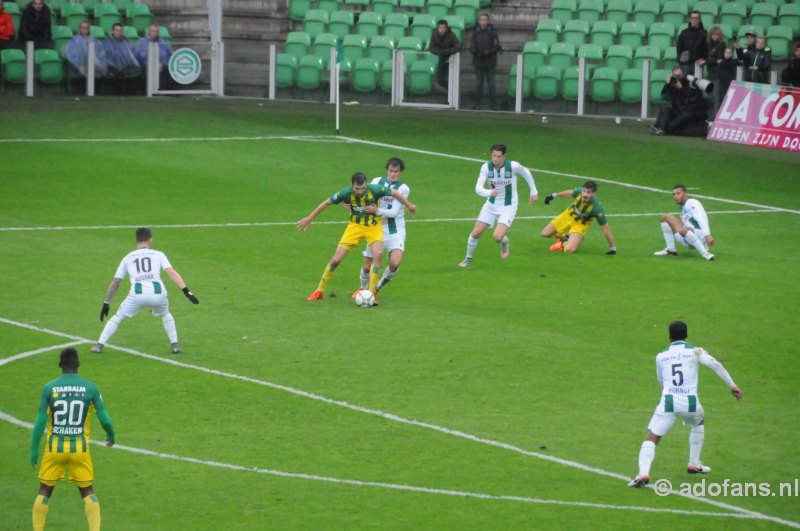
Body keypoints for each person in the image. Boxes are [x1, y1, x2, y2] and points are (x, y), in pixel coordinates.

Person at [628, 321, 742, 488]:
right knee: (698, 423)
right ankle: (694, 463)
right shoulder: (695, 351)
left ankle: (643, 473)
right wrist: (732, 386)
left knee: (652, 437)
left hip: (668, 402)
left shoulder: (661, 356)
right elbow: (715, 364)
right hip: (690, 403)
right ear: (686, 335)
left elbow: (661, 381)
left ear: (669, 337)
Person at [30, 347, 116, 531]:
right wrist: (111, 435)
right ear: (78, 364)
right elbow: (105, 419)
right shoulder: (90, 388)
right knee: (87, 491)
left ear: (60, 364)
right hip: (80, 449)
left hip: (54, 449)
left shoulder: (49, 388)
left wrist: (33, 450)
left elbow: (39, 422)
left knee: (45, 490)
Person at [298, 172, 417, 303]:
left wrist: (409, 205)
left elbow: (395, 193)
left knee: (377, 255)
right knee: (336, 260)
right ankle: (319, 291)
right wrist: (309, 218)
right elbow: (326, 203)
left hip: (373, 227)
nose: (360, 191)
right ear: (351, 186)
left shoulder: (375, 189)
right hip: (354, 227)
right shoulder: (345, 193)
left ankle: (371, 294)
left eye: (362, 188)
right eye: (357, 189)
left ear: (366, 185)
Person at [90, 227, 200, 354]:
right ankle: (175, 346)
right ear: (150, 240)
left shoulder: (128, 257)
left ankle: (99, 346)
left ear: (136, 241)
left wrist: (106, 303)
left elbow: (116, 282)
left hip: (137, 295)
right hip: (158, 294)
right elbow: (170, 272)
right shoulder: (159, 254)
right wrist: (187, 292)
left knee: (118, 316)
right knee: (165, 314)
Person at [458, 143, 538, 267]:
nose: (495, 159)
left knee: (497, 237)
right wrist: (490, 192)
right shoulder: (486, 167)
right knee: (475, 233)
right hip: (491, 204)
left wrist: (533, 192)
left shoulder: (513, 166)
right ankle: (468, 259)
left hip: (508, 205)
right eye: (493, 155)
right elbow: (478, 188)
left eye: (498, 156)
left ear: (504, 156)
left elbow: (526, 172)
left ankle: (504, 243)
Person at [352, 158, 411, 299]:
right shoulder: (377, 181)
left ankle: (376, 289)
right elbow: (363, 197)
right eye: (391, 171)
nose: (393, 174)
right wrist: (351, 204)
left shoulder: (403, 188)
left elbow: (393, 212)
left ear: (401, 172)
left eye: (396, 172)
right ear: (387, 170)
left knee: (395, 263)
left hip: (395, 230)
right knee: (367, 266)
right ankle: (362, 289)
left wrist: (376, 210)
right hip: (376, 228)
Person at [540, 180, 617, 255]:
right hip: (567, 216)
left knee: (568, 250)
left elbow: (605, 227)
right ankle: (565, 238)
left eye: (588, 192)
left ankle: (563, 243)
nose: (585, 194)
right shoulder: (579, 192)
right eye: (584, 191)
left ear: (594, 194)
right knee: (544, 233)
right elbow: (569, 192)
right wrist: (553, 196)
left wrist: (613, 248)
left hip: (580, 225)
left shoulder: (597, 209)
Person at [654, 184, 715, 261]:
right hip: (688, 237)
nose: (675, 196)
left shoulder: (691, 202)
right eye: (674, 194)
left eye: (678, 193)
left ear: (685, 194)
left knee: (669, 218)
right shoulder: (683, 207)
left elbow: (700, 218)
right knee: (665, 219)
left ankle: (705, 254)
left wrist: (707, 235)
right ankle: (670, 250)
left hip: (698, 235)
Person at [649, 66, 707, 136]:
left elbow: (692, 98)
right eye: (675, 76)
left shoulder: (691, 83)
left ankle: (665, 129)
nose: (678, 78)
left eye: (679, 75)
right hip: (680, 110)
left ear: (684, 74)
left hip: (693, 112)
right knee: (664, 109)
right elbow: (663, 97)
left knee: (685, 115)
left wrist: (681, 88)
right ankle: (658, 127)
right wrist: (667, 85)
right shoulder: (673, 84)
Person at [470, 13, 500, 110]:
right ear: (479, 21)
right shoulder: (475, 32)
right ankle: (477, 104)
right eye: (481, 20)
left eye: (485, 20)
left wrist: (487, 52)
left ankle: (494, 105)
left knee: (491, 84)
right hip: (478, 62)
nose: (483, 22)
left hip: (490, 62)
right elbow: (472, 46)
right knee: (479, 84)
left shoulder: (493, 33)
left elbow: (496, 47)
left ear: (488, 21)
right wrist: (476, 52)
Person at [429, 19, 459, 91]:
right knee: (440, 80)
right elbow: (431, 48)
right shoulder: (434, 35)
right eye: (440, 27)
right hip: (442, 59)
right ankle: (451, 91)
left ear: (446, 28)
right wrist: (439, 52)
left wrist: (447, 51)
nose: (441, 30)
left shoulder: (451, 35)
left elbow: (457, 46)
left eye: (443, 28)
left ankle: (452, 96)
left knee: (451, 79)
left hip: (451, 60)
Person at [676, 10, 707, 76]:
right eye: (692, 18)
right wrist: (680, 60)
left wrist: (703, 59)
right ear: (690, 19)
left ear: (699, 19)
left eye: (696, 18)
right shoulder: (684, 33)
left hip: (698, 64)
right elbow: (679, 48)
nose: (694, 20)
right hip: (685, 64)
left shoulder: (704, 33)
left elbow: (707, 48)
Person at [704, 26, 726, 115]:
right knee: (707, 95)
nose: (714, 36)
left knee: (716, 97)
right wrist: (714, 61)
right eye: (713, 34)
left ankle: (716, 117)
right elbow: (708, 60)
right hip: (710, 73)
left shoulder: (722, 45)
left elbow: (720, 59)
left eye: (717, 35)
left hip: (718, 73)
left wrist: (711, 60)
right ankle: (709, 116)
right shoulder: (708, 45)